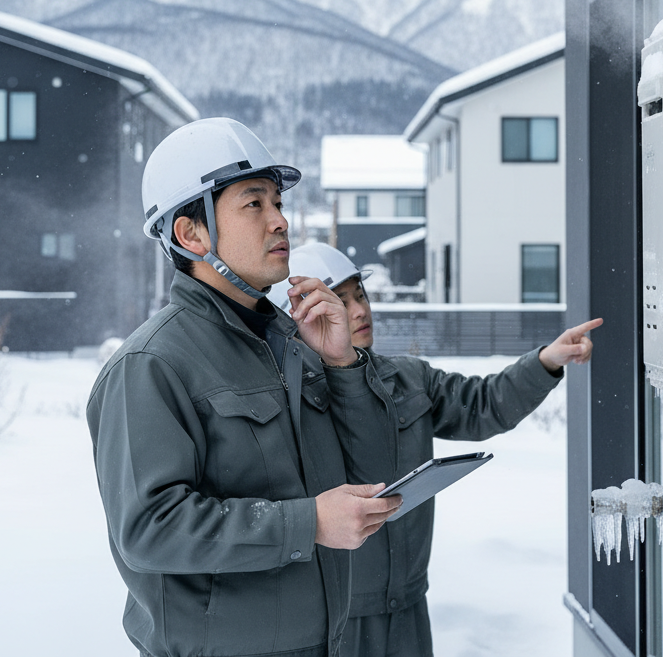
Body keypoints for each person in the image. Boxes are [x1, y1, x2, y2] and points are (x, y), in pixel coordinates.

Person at [86, 119, 402, 657]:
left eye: (278, 203)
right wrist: (308, 523)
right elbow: (149, 529)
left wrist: (344, 364)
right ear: (191, 234)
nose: (281, 221)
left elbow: (370, 469)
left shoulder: (295, 344)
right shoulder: (151, 365)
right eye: (254, 204)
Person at [269, 242, 602, 657]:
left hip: (408, 606)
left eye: (360, 295)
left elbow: (481, 404)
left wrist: (546, 361)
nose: (358, 311)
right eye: (340, 300)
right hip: (335, 618)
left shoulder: (407, 378)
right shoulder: (290, 398)